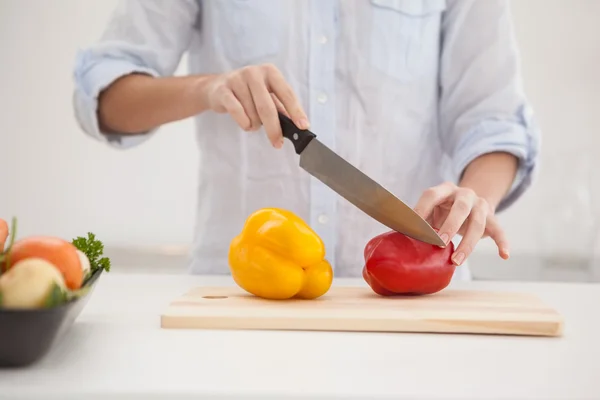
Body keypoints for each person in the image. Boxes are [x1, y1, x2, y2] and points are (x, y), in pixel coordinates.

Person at [72, 0, 540, 279]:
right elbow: (104, 95)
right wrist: (207, 88)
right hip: (238, 302)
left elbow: (493, 118)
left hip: (416, 310)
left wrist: (473, 197)